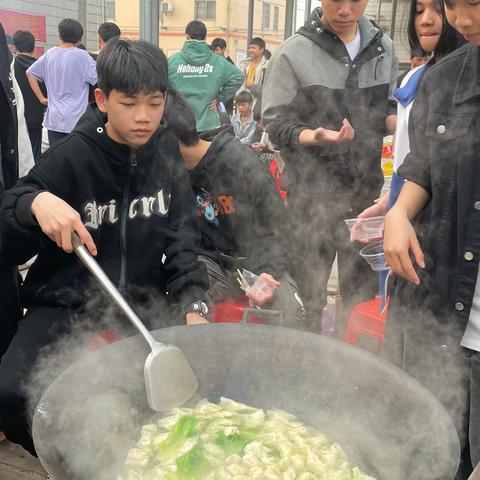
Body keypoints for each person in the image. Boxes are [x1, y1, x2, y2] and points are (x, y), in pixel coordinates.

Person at [0, 38, 209, 455]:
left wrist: (193, 302)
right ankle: (60, 459)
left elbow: (184, 237)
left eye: (154, 103)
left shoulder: (166, 152)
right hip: (67, 301)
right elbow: (10, 220)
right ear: (101, 98)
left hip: (144, 299)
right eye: (130, 103)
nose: (144, 117)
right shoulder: (71, 156)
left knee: (186, 391)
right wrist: (33, 203)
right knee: (9, 391)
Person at [382, 0, 480, 476]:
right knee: (430, 456)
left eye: (475, 4)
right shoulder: (443, 80)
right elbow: (424, 167)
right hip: (443, 310)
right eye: (451, 5)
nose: (460, 20)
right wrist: (399, 211)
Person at [262, 3, 398, 326]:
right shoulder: (293, 53)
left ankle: (353, 369)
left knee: (361, 298)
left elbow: (389, 106)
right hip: (310, 200)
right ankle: (302, 363)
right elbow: (273, 123)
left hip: (365, 200)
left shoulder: (384, 47)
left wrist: (406, 122)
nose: (346, 9)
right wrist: (314, 135)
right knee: (306, 295)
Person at [164, 89, 306, 328]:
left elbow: (278, 229)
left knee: (290, 313)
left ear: (172, 142)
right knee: (172, 303)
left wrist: (265, 272)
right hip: (212, 264)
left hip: (257, 263)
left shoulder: (239, 164)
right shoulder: (175, 172)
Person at [26, 18, 97, 146]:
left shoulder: (50, 54)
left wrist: (41, 98)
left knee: (57, 158)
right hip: (76, 119)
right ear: (80, 38)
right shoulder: (82, 56)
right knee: (76, 159)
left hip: (54, 118)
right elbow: (98, 79)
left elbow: (30, 73)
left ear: (60, 35)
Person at [168, 21, 243, 133]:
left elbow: (160, 85)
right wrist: (219, 97)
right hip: (208, 125)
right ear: (205, 36)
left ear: (187, 35)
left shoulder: (172, 61)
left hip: (178, 123)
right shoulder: (219, 62)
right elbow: (238, 77)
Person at [12, 30, 46, 163]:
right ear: (33, 47)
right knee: (35, 154)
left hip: (17, 118)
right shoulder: (41, 66)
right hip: (36, 119)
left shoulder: (11, 66)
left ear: (15, 47)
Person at [241, 37, 268, 115]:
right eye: (250, 48)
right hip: (245, 102)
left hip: (258, 105)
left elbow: (268, 89)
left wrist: (253, 87)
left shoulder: (266, 67)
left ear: (262, 49)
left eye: (254, 48)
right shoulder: (245, 65)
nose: (250, 50)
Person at [210, 37, 235, 116]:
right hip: (213, 102)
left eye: (217, 50)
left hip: (225, 102)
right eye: (214, 51)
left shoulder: (230, 65)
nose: (215, 53)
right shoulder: (213, 64)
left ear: (224, 49)